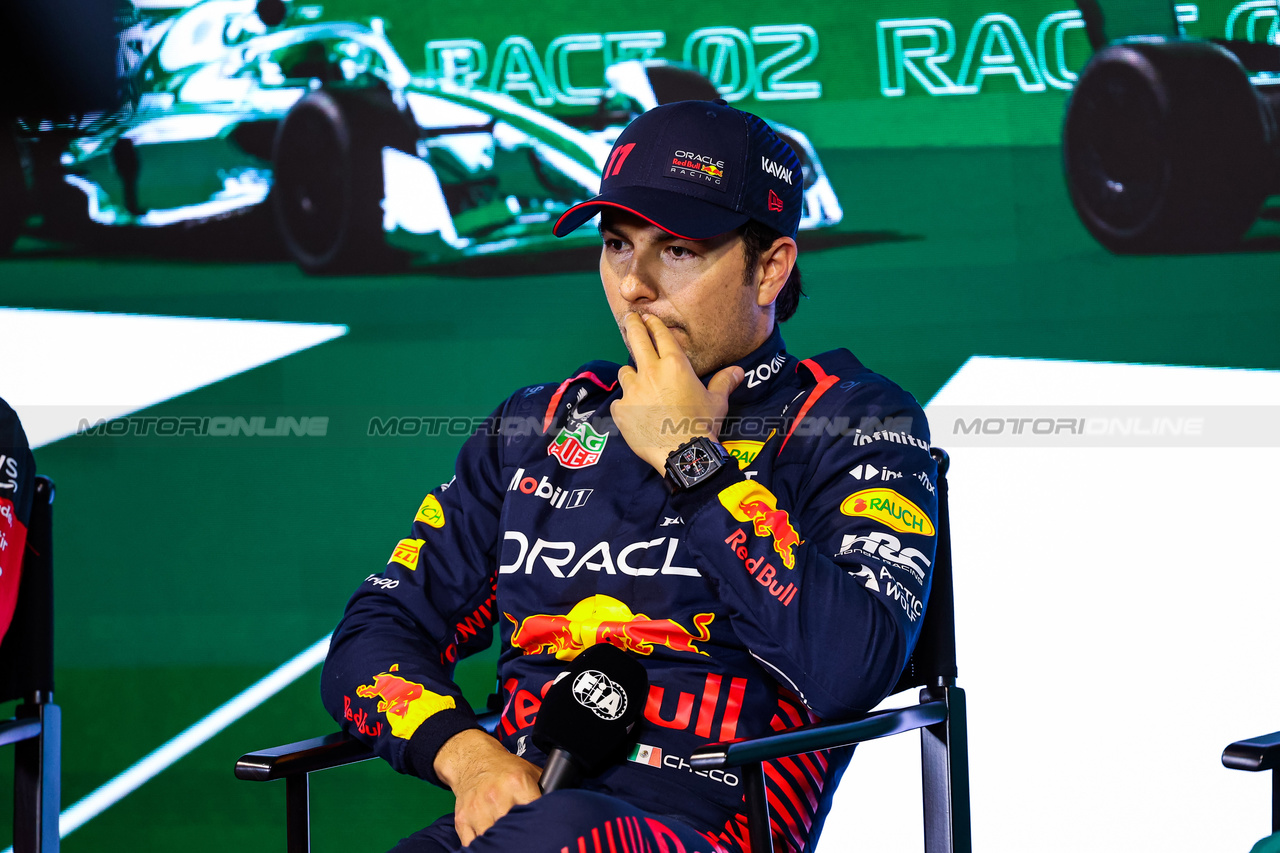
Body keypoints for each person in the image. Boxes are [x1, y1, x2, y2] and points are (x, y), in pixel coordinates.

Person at [322, 99, 939, 853]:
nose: (635, 284)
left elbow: (850, 670)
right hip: (522, 822)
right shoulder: (538, 426)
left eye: (676, 249)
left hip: (705, 832)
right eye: (618, 244)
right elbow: (375, 631)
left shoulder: (851, 422)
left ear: (771, 267)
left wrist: (694, 463)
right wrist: (466, 751)